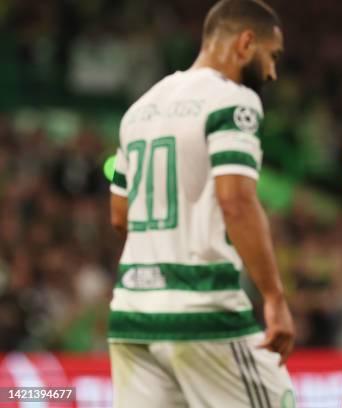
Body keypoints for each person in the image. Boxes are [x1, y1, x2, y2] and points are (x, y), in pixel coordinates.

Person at [107, 1, 295, 407]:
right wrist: (275, 298)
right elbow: (236, 202)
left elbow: (119, 217)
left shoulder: (139, 110)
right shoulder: (232, 101)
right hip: (202, 308)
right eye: (272, 56)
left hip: (131, 314)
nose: (273, 72)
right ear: (246, 42)